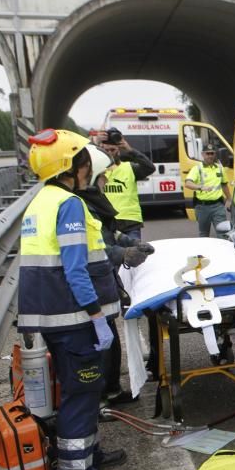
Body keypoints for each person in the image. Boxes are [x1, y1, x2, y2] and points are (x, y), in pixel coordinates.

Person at [18, 129, 128, 470]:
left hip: (54, 317)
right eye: (83, 161)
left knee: (80, 387)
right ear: (71, 167)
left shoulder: (40, 201)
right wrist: (97, 315)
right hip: (75, 319)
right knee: (81, 392)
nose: (87, 168)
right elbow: (76, 269)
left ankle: (89, 454)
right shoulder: (69, 206)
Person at [79, 145, 155, 406]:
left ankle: (110, 389)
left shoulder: (92, 201)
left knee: (110, 339)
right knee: (101, 342)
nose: (105, 181)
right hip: (93, 283)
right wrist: (123, 254)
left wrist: (127, 242)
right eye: (102, 176)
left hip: (102, 280)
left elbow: (107, 232)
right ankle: (100, 397)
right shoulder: (81, 206)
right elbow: (96, 245)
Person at [99, 128, 155, 241]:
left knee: (135, 256)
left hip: (130, 222)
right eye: (106, 150)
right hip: (106, 222)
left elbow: (150, 167)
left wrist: (130, 150)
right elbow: (81, 162)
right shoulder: (97, 169)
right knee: (111, 257)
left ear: (118, 150)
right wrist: (95, 143)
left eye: (112, 150)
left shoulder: (130, 167)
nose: (109, 153)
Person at [184, 142, 232, 238]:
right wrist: (200, 187)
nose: (210, 156)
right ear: (202, 154)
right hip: (202, 207)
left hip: (218, 206)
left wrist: (229, 199)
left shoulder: (219, 168)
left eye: (212, 153)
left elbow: (224, 184)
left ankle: (223, 252)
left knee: (223, 233)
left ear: (215, 154)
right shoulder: (197, 168)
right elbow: (188, 183)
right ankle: (204, 253)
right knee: (204, 234)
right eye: (207, 153)